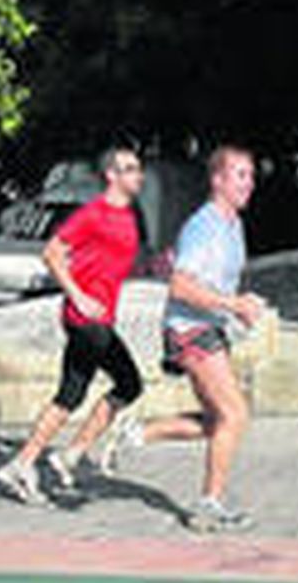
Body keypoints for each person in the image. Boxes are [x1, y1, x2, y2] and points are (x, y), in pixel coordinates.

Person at [102, 145, 263, 533]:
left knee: (218, 422)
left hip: (207, 327)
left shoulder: (231, 224)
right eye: (240, 175)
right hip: (189, 330)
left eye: (250, 175)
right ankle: (208, 504)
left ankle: (138, 431)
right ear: (218, 180)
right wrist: (232, 304)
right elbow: (179, 285)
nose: (248, 183)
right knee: (235, 415)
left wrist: (238, 307)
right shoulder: (205, 225)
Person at [0, 147, 148, 503]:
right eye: (130, 169)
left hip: (100, 318)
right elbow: (51, 252)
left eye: (138, 169)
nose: (138, 175)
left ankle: (37, 460)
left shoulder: (128, 215)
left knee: (76, 393)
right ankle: (53, 458)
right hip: (86, 320)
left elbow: (113, 263)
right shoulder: (93, 214)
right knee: (121, 384)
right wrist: (77, 295)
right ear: (111, 175)